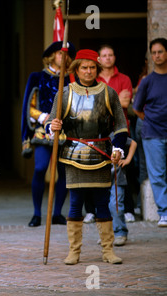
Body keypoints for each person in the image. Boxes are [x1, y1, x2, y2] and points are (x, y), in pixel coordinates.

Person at [46, 49, 128, 265]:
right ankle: (74, 251)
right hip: (73, 153)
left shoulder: (109, 93)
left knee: (102, 202)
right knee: (75, 203)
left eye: (92, 67)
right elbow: (51, 123)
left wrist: (118, 148)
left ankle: (108, 250)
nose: (89, 71)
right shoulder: (64, 93)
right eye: (84, 67)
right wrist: (52, 126)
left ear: (97, 69)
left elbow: (121, 125)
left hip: (102, 153)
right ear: (76, 69)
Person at [21, 40, 76, 227]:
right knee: (40, 168)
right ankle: (37, 213)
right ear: (53, 56)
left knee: (63, 172)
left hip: (65, 132)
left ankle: (57, 213)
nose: (64, 57)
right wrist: (45, 117)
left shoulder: (71, 79)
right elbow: (29, 107)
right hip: (43, 131)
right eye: (61, 53)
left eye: (67, 54)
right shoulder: (37, 77)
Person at [88, 45, 136, 224]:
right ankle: (92, 210)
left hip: (120, 129)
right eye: (104, 55)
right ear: (99, 59)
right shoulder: (94, 79)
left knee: (122, 170)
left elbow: (125, 102)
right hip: (97, 131)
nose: (107, 58)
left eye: (111, 55)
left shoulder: (124, 78)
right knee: (93, 169)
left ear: (115, 57)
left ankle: (127, 209)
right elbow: (116, 102)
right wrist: (116, 101)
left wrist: (106, 104)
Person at [132, 38, 167, 228]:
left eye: (160, 52)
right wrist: (151, 121)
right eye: (153, 53)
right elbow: (137, 108)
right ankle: (164, 213)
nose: (157, 56)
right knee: (157, 174)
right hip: (153, 133)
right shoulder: (147, 81)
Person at [108, 135, 137, 246]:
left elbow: (133, 143)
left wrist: (127, 159)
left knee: (115, 204)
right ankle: (107, 234)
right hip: (102, 178)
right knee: (104, 206)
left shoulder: (117, 135)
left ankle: (120, 232)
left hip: (117, 177)